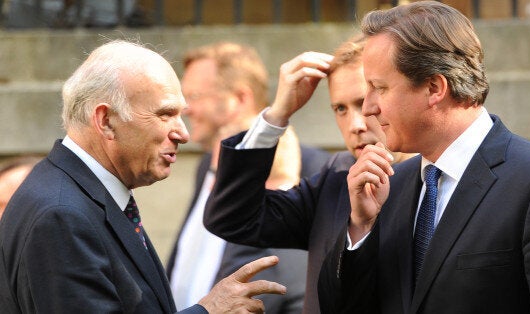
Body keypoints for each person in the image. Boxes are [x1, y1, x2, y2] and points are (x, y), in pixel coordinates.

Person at [317, 1, 530, 313]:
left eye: (379, 88)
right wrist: (361, 226)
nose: (370, 108)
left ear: (434, 87)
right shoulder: (390, 187)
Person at [0, 40, 286, 314]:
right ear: (106, 121)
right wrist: (207, 311)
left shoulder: (79, 195)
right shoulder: (62, 215)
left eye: (181, 114)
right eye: (165, 114)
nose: (182, 133)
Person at [203, 35, 413, 314]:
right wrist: (276, 116)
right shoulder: (335, 180)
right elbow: (233, 219)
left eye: (363, 102)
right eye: (340, 108)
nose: (356, 124)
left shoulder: (436, 181)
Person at [166, 42, 329, 313]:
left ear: (239, 98)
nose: (186, 109)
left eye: (194, 96)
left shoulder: (312, 168)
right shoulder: (206, 163)